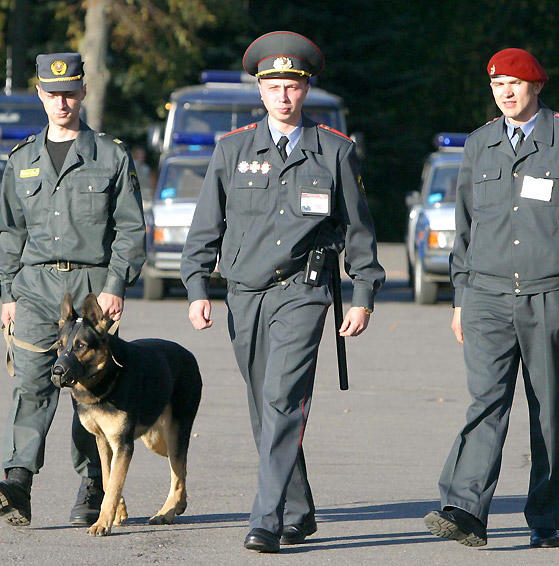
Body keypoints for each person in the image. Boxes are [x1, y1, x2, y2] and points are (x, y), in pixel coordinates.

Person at [181, 31, 385, 553]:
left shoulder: (335, 151)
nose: (284, 95)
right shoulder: (232, 149)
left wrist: (362, 294)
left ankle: (266, 518)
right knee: (261, 404)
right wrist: (197, 286)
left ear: (307, 88)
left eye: (292, 85)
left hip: (302, 292)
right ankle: (297, 507)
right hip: (244, 293)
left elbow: (359, 231)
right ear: (259, 90)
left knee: (282, 399)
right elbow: (206, 226)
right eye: (273, 85)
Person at [424, 48, 559, 548]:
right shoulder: (480, 143)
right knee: (485, 401)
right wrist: (459, 295)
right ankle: (464, 508)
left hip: (551, 295)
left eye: (514, 83)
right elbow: (464, 228)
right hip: (486, 294)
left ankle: (545, 519)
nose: (505, 93)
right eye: (496, 85)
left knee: (548, 410)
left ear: (536, 86)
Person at [0, 52, 146, 527]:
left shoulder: (110, 155)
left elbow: (130, 229)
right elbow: (10, 232)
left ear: (83, 92)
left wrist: (116, 286)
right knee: (32, 383)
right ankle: (18, 484)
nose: (62, 101)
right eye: (53, 94)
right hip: (35, 287)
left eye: (70, 92)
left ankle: (93, 486)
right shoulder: (22, 158)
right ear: (40, 95)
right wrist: (8, 293)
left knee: (90, 391)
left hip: (91, 291)